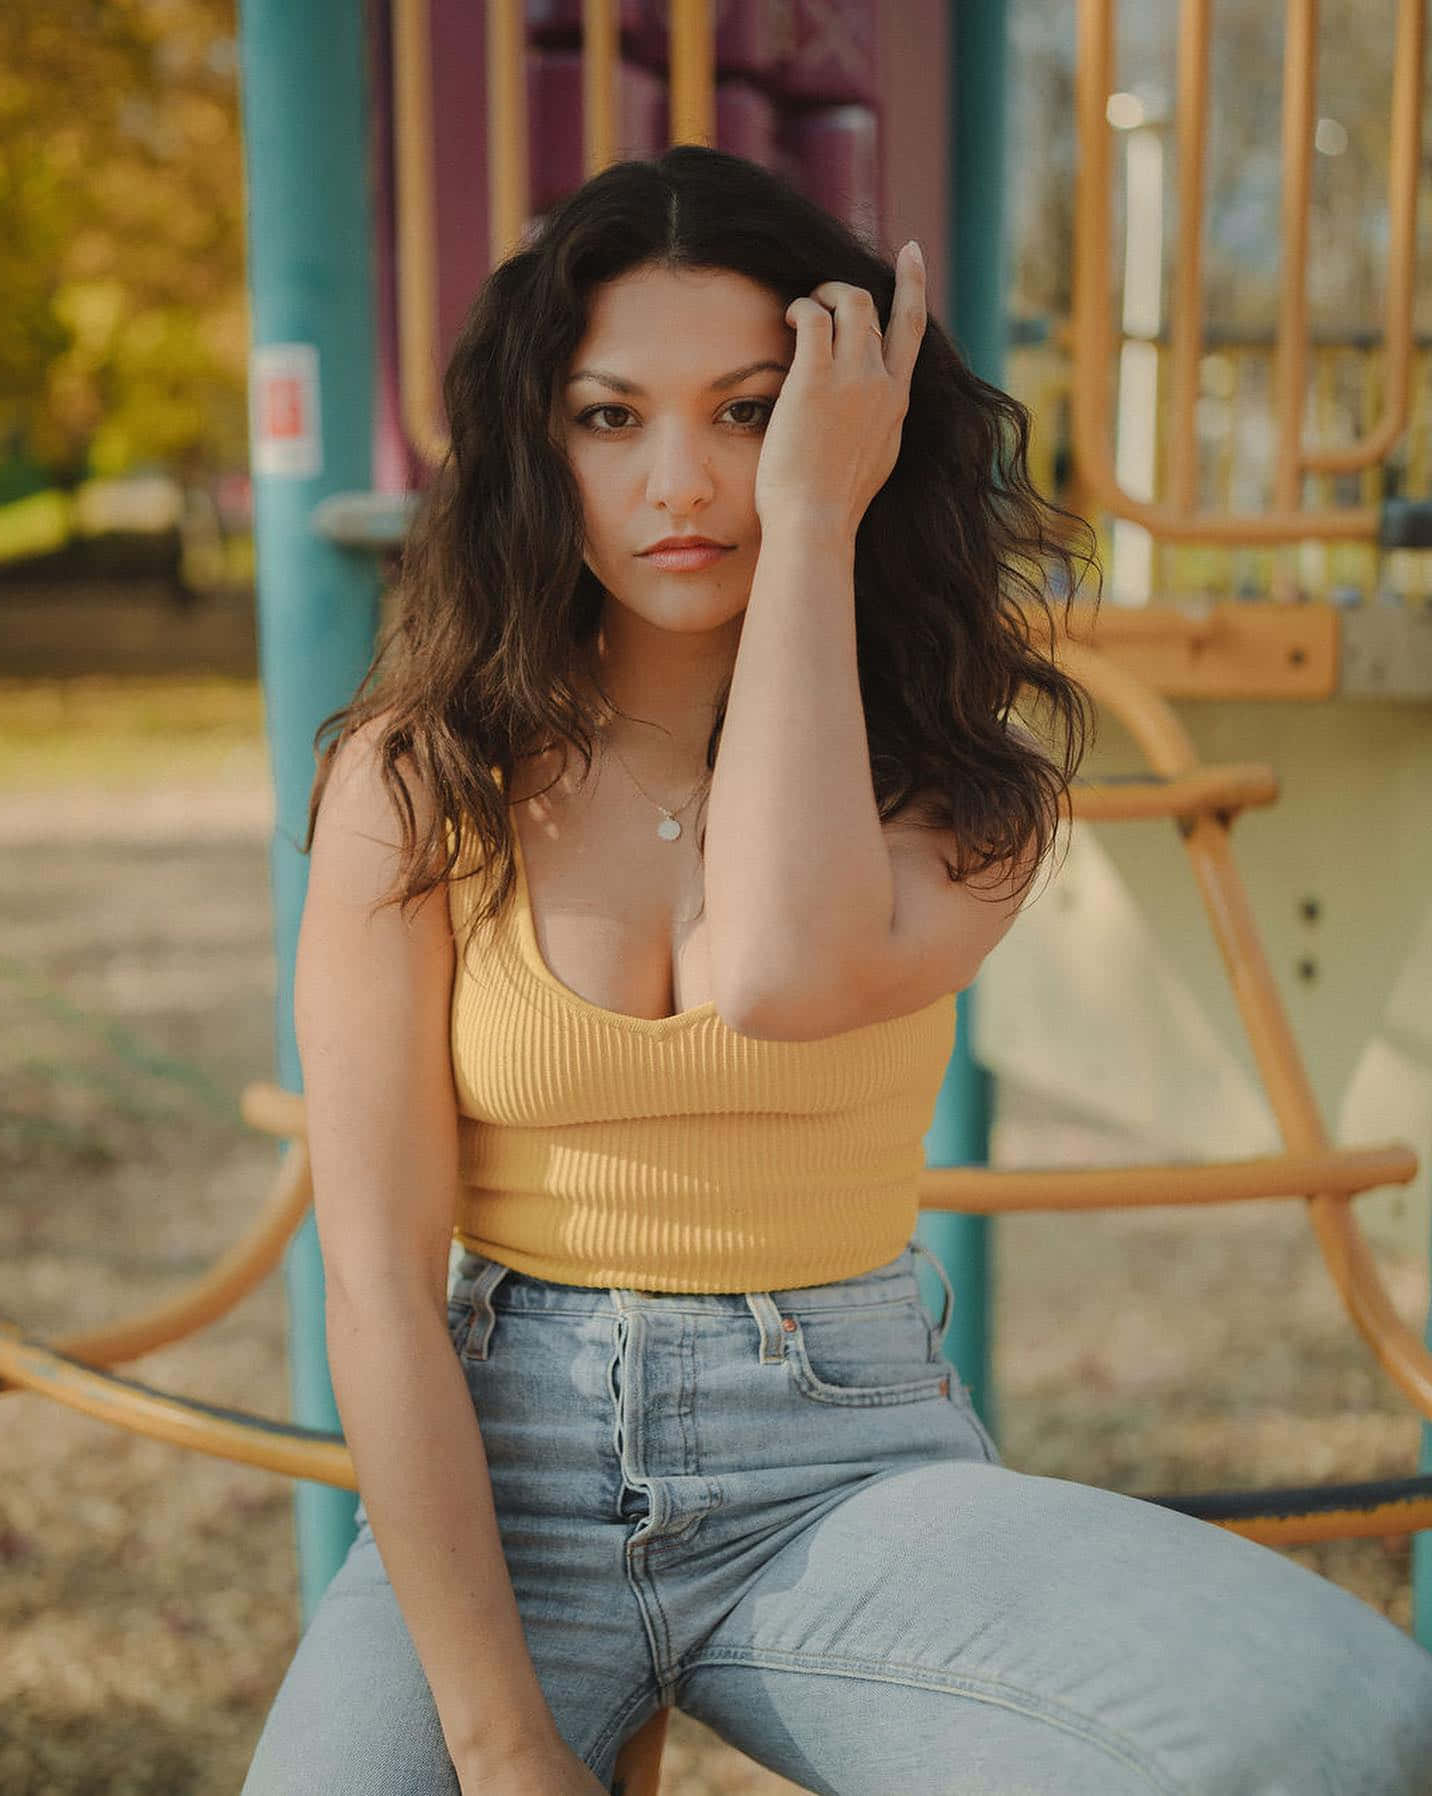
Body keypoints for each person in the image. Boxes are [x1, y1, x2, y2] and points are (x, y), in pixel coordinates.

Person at [241, 145, 1432, 1795]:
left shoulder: (963, 783)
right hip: (494, 1463)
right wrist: (504, 1743)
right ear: (538, 448)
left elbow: (780, 974)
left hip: (840, 1456)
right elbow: (375, 1280)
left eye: (747, 412)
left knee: (1346, 1726)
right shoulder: (417, 773)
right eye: (610, 418)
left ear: (849, 430)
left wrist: (808, 531)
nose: (683, 484)